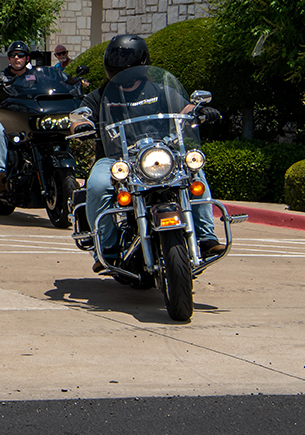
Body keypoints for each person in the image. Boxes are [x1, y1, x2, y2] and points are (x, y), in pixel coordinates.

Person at [80, 34, 225, 269]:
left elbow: (184, 107)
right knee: (97, 185)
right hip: (117, 159)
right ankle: (106, 247)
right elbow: (83, 113)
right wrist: (81, 123)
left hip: (161, 153)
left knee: (194, 172)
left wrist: (198, 111)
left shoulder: (161, 90)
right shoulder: (101, 95)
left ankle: (206, 237)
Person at [0, 41, 39, 191]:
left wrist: (72, 82)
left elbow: (51, 85)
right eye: (13, 55)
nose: (17, 58)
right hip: (5, 119)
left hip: (28, 119)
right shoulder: (1, 77)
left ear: (27, 59)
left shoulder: (34, 77)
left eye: (21, 55)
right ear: (8, 59)